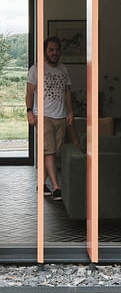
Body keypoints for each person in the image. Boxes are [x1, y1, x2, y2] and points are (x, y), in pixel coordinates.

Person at [26, 36, 73, 201]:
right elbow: (29, 93)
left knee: (52, 153)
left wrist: (70, 111)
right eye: (51, 50)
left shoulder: (63, 69)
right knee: (50, 151)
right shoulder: (36, 69)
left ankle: (42, 184)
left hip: (60, 117)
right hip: (43, 116)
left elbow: (67, 92)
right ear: (45, 51)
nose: (55, 53)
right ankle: (56, 186)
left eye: (57, 50)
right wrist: (29, 112)